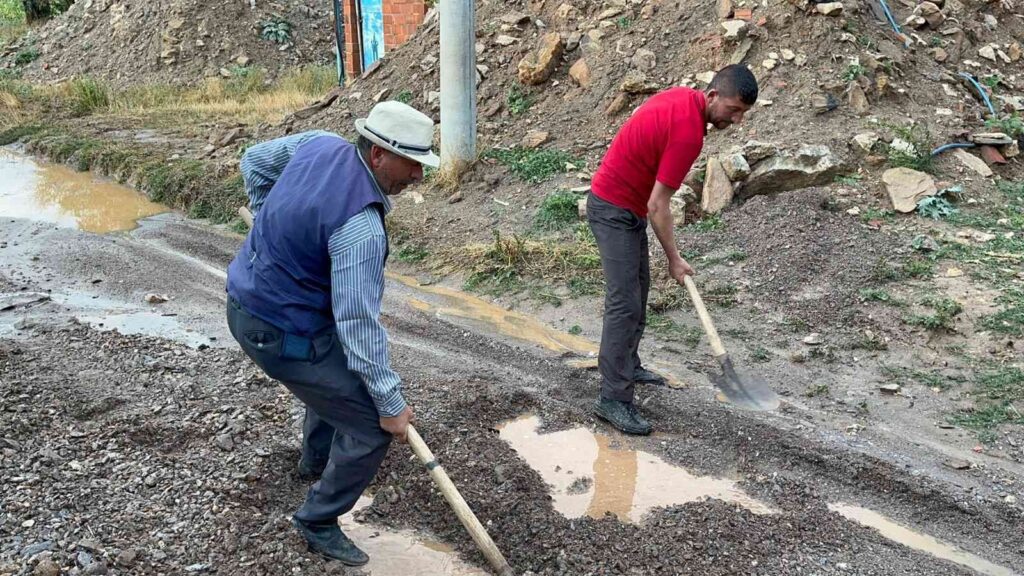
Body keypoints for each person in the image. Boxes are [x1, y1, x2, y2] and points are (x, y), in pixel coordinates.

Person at [224, 101, 439, 565]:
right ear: (378, 154)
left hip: (244, 299)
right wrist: (390, 405)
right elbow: (358, 326)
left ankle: (316, 462)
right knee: (368, 427)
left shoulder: (318, 144)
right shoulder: (361, 229)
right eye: (412, 163)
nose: (418, 176)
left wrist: (268, 225)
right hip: (275, 330)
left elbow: (255, 162)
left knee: (335, 371)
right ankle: (318, 519)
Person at [587, 64, 758, 435]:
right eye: (734, 110)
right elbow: (658, 205)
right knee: (624, 304)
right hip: (613, 208)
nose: (737, 120)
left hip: (626, 207)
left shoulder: (684, 98)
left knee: (638, 291)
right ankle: (613, 398)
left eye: (742, 113)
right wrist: (674, 259)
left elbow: (650, 201)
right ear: (713, 95)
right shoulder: (688, 134)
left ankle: (628, 365)